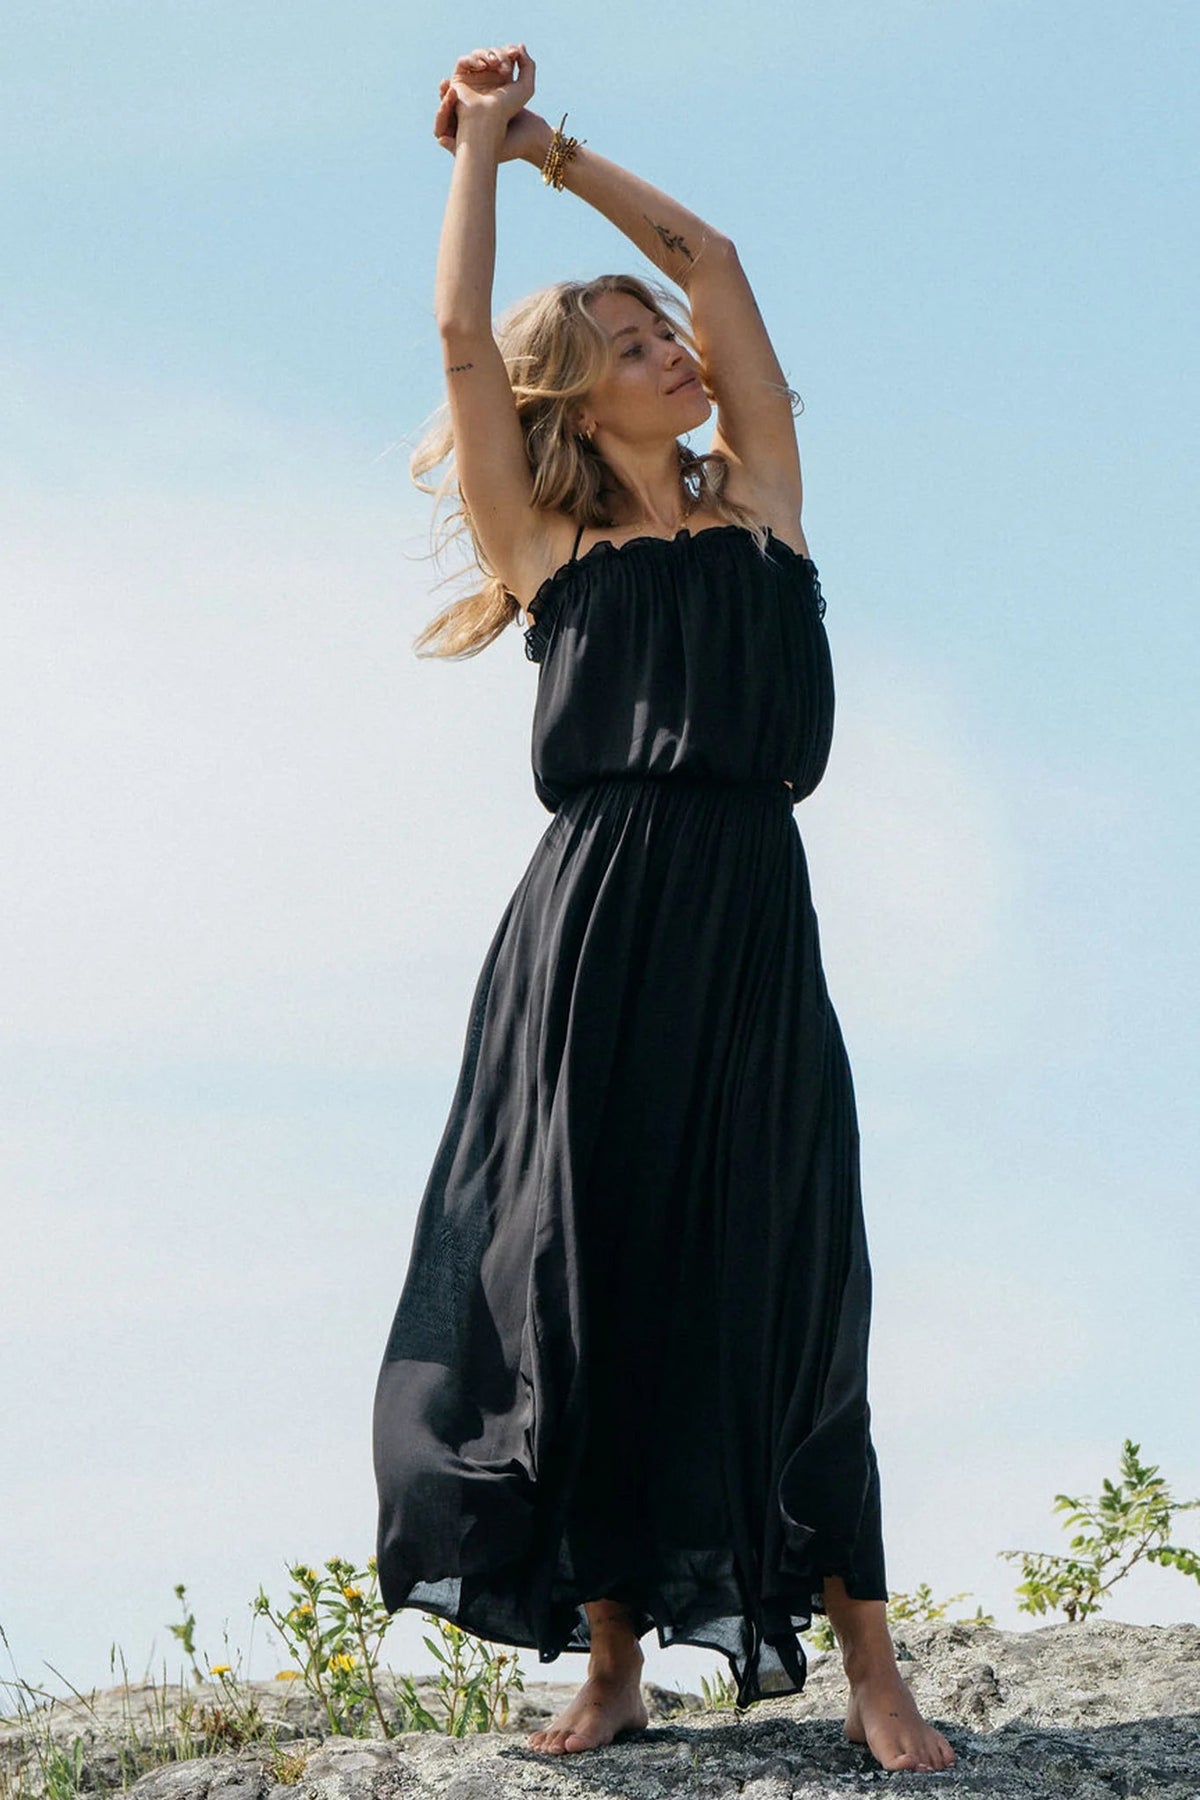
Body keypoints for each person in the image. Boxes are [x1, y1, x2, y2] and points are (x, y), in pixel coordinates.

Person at [372, 42, 956, 1776]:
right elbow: (460, 335)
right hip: (593, 934)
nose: (673, 348)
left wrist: (550, 148)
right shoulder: (549, 560)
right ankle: (615, 1659)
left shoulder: (762, 503)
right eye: (633, 345)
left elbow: (718, 260)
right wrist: (472, 152)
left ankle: (867, 1661)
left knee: (793, 1264)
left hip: (753, 915)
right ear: (579, 398)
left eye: (663, 332)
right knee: (590, 1273)